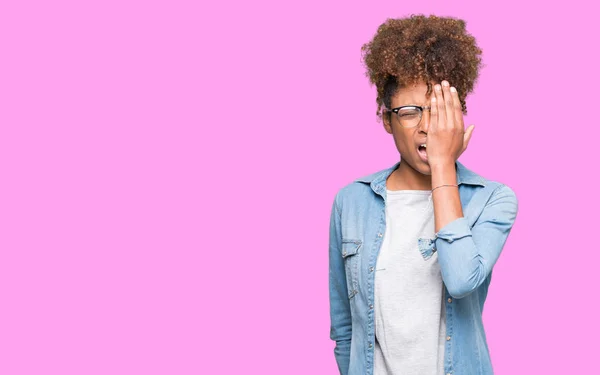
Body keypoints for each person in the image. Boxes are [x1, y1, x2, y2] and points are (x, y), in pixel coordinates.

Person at [328, 15, 519, 375]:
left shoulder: (493, 199)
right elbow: (344, 329)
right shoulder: (350, 202)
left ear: (459, 114)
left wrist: (444, 165)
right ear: (387, 120)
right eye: (411, 111)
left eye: (439, 110)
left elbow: (462, 280)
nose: (428, 126)